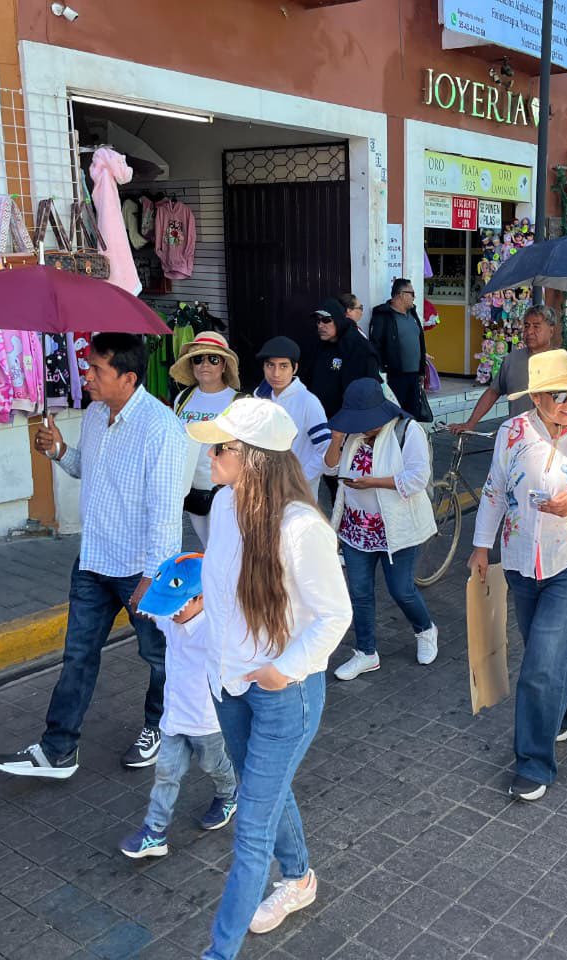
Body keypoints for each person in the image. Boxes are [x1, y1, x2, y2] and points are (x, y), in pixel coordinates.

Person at [185, 398, 351, 959]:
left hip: (284, 693)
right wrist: (199, 600)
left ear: (253, 458)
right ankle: (301, 878)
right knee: (269, 794)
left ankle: (218, 952)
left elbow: (336, 616)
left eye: (222, 447)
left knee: (251, 828)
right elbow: (228, 578)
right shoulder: (228, 504)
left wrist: (283, 669)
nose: (210, 455)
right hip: (230, 685)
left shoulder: (302, 528)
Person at [0, 334, 187, 778]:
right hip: (94, 560)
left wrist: (153, 578)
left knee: (158, 656)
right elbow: (89, 469)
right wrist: (60, 451)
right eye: (88, 367)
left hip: (140, 566)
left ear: (128, 376)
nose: (88, 376)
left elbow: (165, 514)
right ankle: (58, 749)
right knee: (78, 654)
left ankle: (160, 726)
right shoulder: (98, 415)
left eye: (97, 369)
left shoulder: (162, 429)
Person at [469, 350, 567, 801]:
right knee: (549, 653)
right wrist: (481, 546)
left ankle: (533, 764)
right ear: (535, 396)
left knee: (539, 665)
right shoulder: (512, 433)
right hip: (520, 563)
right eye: (558, 394)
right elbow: (496, 490)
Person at [119, 553, 238, 859]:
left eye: (176, 607)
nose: (170, 614)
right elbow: (154, 612)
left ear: (201, 598)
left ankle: (229, 793)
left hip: (206, 722)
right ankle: (154, 831)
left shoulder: (215, 630)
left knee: (213, 764)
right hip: (172, 718)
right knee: (165, 774)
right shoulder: (173, 619)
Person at [323, 379, 438, 680]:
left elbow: (417, 479)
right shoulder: (352, 434)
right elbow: (330, 468)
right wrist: (336, 439)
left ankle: (425, 630)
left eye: (368, 422)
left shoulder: (407, 430)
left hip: (396, 529)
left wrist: (373, 482)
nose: (365, 428)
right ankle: (366, 652)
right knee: (359, 592)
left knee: (402, 590)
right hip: (355, 527)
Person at [170, 332, 243, 546]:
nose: (205, 364)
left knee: (226, 547)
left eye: (213, 359)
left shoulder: (238, 401)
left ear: (224, 366)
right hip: (190, 487)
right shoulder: (183, 398)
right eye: (198, 359)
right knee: (207, 545)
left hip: (225, 491)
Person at [451, 305, 559, 433]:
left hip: (554, 438)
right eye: (526, 326)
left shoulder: (563, 361)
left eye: (536, 326)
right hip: (518, 435)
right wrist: (470, 423)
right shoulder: (512, 359)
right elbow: (493, 392)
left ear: (551, 331)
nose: (529, 331)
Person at [253, 336, 329, 497]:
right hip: (265, 486)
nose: (276, 373)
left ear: (294, 368)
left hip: (298, 492)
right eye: (270, 365)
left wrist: (299, 479)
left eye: (283, 366)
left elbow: (325, 450)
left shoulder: (308, 402)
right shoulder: (260, 396)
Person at [307, 300, 382, 419]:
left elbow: (368, 388)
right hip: (320, 418)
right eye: (318, 321)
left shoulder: (358, 347)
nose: (320, 325)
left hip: (348, 421)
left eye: (326, 320)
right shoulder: (319, 346)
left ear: (338, 320)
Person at [369, 278, 427, 416]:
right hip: (394, 377)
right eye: (412, 293)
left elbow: (418, 341)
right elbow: (375, 345)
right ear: (401, 294)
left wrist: (421, 370)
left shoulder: (412, 314)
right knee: (395, 415)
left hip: (414, 377)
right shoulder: (383, 315)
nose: (414, 297)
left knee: (412, 416)